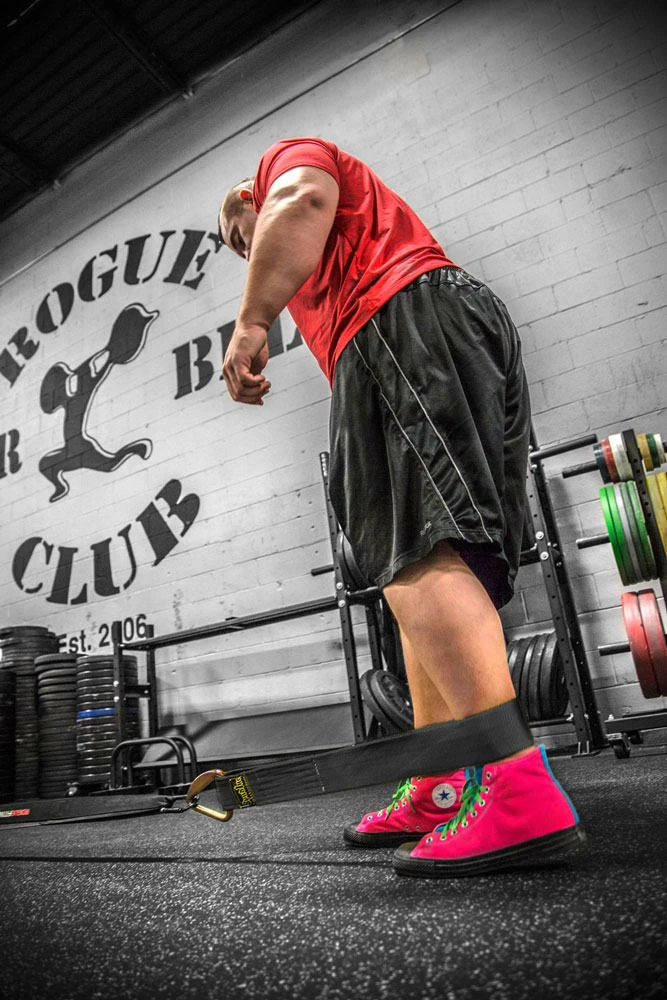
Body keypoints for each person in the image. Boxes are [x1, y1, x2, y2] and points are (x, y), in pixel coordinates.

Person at [218, 137, 585, 877]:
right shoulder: (352, 274)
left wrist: (252, 320)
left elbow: (302, 199)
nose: (246, 250)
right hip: (433, 327)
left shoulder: (286, 166)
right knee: (426, 556)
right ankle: (440, 777)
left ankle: (516, 789)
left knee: (414, 549)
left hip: (393, 321)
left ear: (251, 199)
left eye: (240, 234)